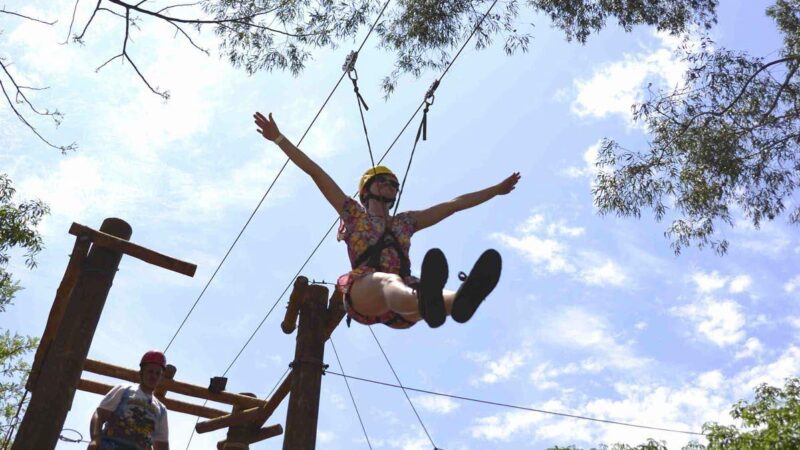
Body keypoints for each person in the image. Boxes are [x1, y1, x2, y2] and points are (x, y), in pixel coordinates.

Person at [254, 111, 520, 329]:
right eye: (385, 182)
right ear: (367, 189)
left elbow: (454, 205)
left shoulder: (406, 222)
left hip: (404, 306)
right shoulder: (352, 213)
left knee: (417, 289)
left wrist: (495, 190)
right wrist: (278, 138)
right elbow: (315, 172)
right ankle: (429, 299)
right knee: (387, 281)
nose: (392, 186)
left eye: (395, 184)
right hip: (365, 296)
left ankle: (460, 300)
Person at [87, 351, 169, 450]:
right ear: (141, 372)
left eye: (158, 373)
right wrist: (95, 439)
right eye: (150, 371)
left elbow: (161, 445)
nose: (154, 376)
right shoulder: (124, 390)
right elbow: (100, 415)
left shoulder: (161, 410)